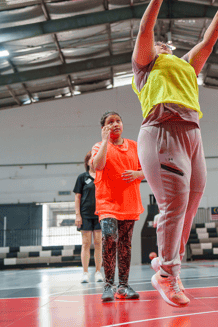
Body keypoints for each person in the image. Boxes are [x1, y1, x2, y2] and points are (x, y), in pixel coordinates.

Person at [132, 0, 218, 307]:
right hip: (162, 130)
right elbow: (145, 30)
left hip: (192, 133)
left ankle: (168, 261)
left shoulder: (186, 65)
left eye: (166, 44)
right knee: (173, 205)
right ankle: (167, 274)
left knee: (190, 207)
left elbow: (207, 43)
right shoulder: (146, 65)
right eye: (159, 44)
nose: (163, 44)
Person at [90, 111, 144, 301]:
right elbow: (97, 165)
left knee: (125, 244)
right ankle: (108, 285)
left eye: (118, 120)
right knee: (109, 238)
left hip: (129, 202)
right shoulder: (99, 146)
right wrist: (105, 141)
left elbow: (149, 170)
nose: (115, 124)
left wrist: (138, 174)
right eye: (110, 122)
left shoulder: (134, 146)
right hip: (107, 203)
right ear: (103, 127)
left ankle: (123, 286)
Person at [73, 152, 103, 285]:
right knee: (85, 243)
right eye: (92, 159)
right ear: (88, 162)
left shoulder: (103, 176)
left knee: (98, 243)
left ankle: (98, 272)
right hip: (85, 215)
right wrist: (77, 214)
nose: (94, 161)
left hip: (100, 214)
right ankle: (85, 273)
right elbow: (77, 197)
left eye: (97, 159)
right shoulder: (82, 177)